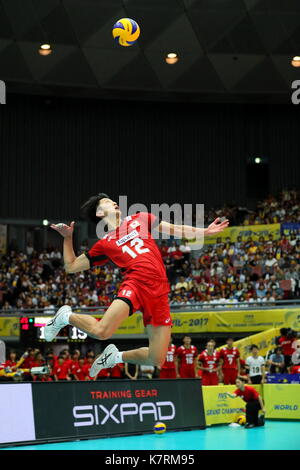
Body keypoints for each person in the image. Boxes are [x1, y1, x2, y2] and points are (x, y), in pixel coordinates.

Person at [45, 194, 229, 376]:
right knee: (102, 332)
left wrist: (204, 231)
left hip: (159, 291)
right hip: (136, 283)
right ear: (100, 213)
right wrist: (67, 238)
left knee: (156, 359)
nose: (115, 202)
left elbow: (175, 229)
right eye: (108, 202)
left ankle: (114, 357)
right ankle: (65, 316)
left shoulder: (139, 218)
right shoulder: (105, 244)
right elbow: (71, 266)